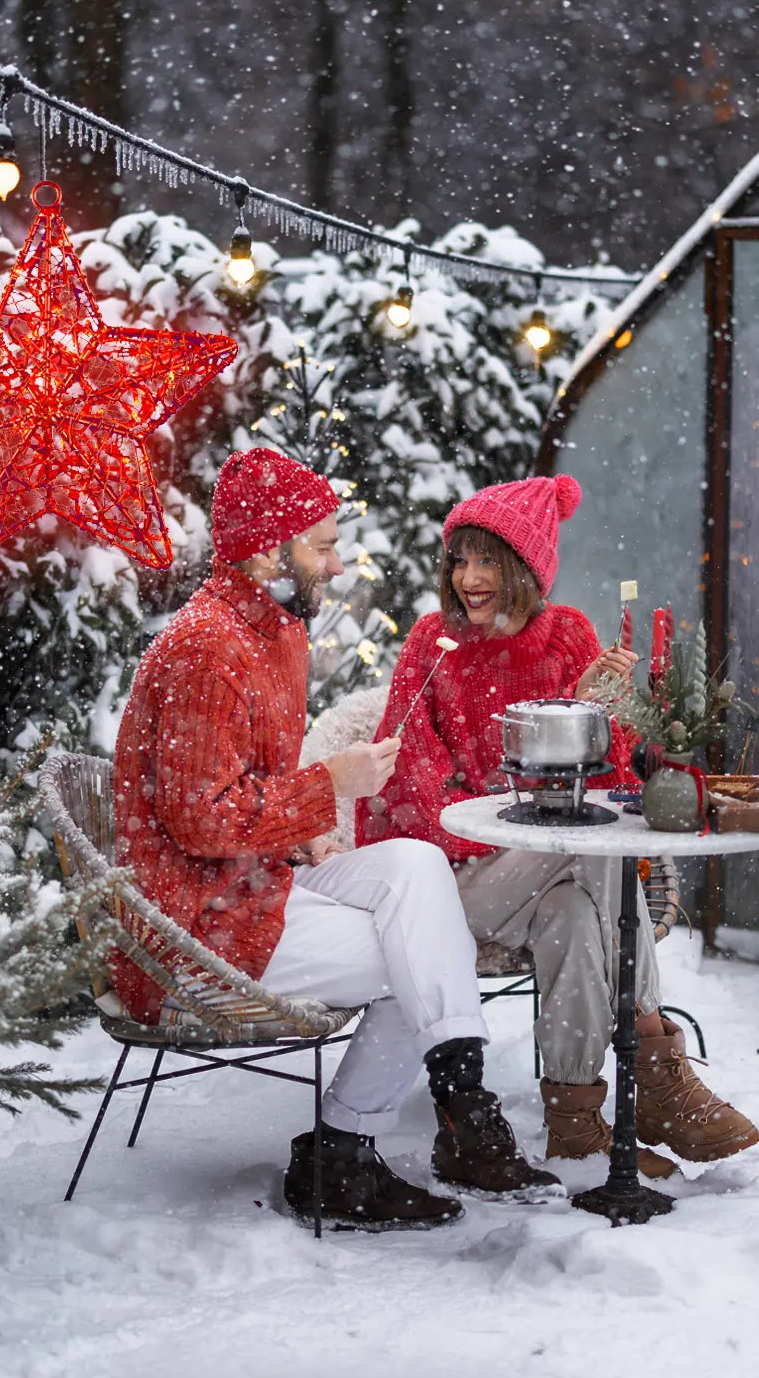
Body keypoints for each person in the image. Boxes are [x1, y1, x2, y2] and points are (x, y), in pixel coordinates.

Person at [113, 447, 557, 1231]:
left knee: (414, 871)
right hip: (197, 920)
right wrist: (330, 789)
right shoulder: (206, 650)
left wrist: (307, 831)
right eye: (320, 544)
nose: (338, 561)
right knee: (414, 948)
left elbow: (244, 793)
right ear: (264, 552)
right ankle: (350, 1148)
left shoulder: (273, 631)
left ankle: (449, 1099)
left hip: (256, 882)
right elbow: (199, 819)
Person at [356, 473, 759, 1174]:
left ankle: (574, 1118)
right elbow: (407, 786)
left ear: (526, 569)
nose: (470, 579)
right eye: (460, 560)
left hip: (549, 877)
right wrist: (500, 829)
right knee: (591, 847)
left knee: (575, 910)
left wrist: (597, 716)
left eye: (488, 561)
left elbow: (612, 786)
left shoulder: (568, 635)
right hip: (449, 888)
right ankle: (657, 1065)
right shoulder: (432, 644)